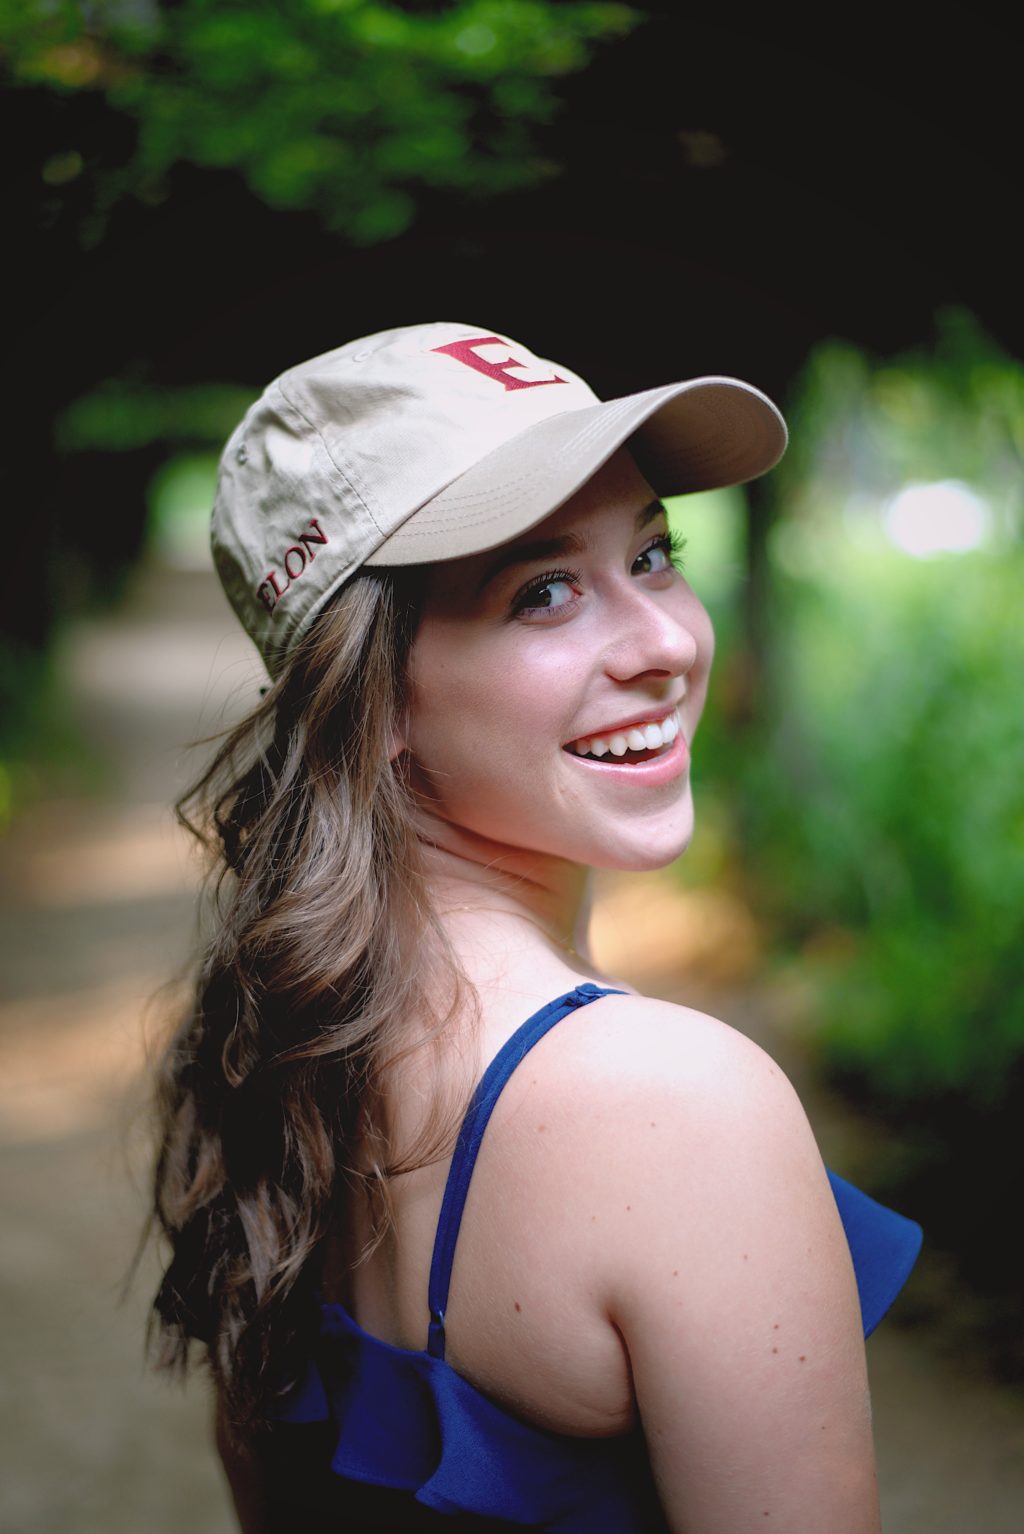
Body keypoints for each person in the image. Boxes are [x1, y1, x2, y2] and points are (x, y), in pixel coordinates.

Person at [150, 322, 922, 1533]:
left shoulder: (276, 1056)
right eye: (543, 591)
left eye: (655, 552)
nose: (666, 642)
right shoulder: (675, 1106)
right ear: (373, 699)